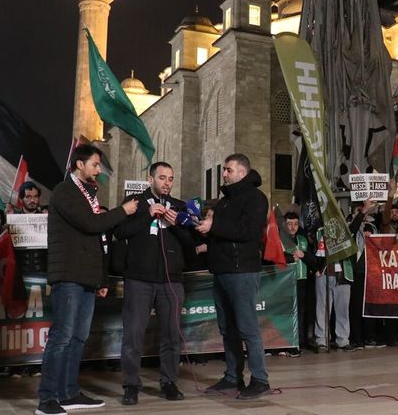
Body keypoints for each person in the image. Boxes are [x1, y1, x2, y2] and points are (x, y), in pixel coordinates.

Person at [35, 144, 138, 415]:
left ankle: (68, 393)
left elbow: (96, 242)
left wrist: (100, 279)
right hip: (68, 275)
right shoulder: (64, 191)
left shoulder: (88, 194)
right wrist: (122, 211)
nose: (97, 169)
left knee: (79, 337)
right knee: (62, 337)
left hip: (85, 277)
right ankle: (47, 399)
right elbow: (91, 225)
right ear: (79, 165)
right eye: (94, 164)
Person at [114, 162, 197, 405]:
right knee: (133, 334)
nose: (167, 183)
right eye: (162, 178)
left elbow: (190, 243)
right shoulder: (135, 203)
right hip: (139, 279)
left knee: (172, 334)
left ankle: (169, 382)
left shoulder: (180, 207)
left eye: (170, 178)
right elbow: (121, 232)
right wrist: (147, 215)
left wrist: (177, 225)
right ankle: (131, 385)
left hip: (171, 281)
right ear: (151, 180)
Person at [195, 153, 270, 400]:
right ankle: (232, 377)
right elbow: (222, 232)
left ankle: (259, 379)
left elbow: (247, 231)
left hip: (242, 272)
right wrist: (205, 228)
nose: (224, 173)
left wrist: (214, 226)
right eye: (224, 169)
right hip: (222, 271)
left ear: (242, 172)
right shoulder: (224, 201)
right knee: (227, 328)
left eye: (228, 169)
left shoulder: (256, 199)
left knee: (247, 328)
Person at [283, 210, 312, 355]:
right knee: (287, 312)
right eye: (289, 224)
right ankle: (287, 342)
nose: (292, 227)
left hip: (302, 279)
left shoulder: (303, 239)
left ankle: (299, 341)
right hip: (285, 282)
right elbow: (272, 258)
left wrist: (303, 255)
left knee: (301, 311)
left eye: (295, 224)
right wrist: (289, 258)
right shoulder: (279, 239)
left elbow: (312, 259)